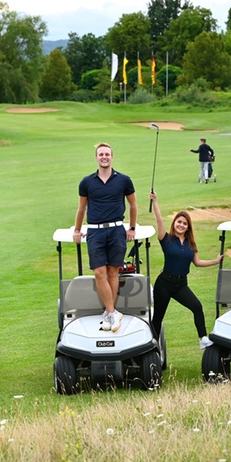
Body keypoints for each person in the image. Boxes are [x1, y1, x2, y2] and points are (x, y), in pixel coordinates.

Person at [73, 142, 138, 333]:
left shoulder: (124, 180)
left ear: (112, 157)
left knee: (112, 272)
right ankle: (112, 312)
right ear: (96, 158)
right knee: (99, 272)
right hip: (95, 231)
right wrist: (77, 230)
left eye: (107, 154)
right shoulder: (86, 182)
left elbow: (133, 205)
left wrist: (132, 227)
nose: (104, 157)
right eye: (101, 154)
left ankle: (110, 313)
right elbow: (82, 208)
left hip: (117, 230)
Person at [149, 191, 222, 349]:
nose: (181, 225)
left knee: (197, 307)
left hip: (181, 285)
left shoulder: (191, 244)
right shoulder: (166, 239)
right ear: (174, 223)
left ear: (188, 226)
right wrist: (155, 201)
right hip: (164, 284)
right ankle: (152, 346)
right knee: (158, 317)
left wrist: (214, 261)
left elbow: (197, 262)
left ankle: (203, 338)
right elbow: (159, 220)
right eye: (178, 222)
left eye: (184, 223)